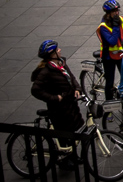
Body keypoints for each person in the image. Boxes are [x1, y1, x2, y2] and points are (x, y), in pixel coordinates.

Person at [31, 40, 84, 170]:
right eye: (57, 49)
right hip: (59, 109)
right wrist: (54, 98)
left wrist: (77, 89)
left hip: (70, 105)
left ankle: (73, 156)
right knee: (63, 134)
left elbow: (72, 78)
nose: (60, 50)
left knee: (73, 132)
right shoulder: (46, 71)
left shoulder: (61, 63)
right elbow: (35, 90)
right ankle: (64, 160)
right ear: (52, 54)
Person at [96, 0, 123, 101]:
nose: (117, 13)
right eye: (114, 11)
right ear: (108, 13)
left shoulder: (121, 19)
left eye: (117, 10)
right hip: (109, 57)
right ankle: (109, 105)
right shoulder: (103, 27)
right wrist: (116, 26)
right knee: (109, 82)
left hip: (120, 54)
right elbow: (112, 41)